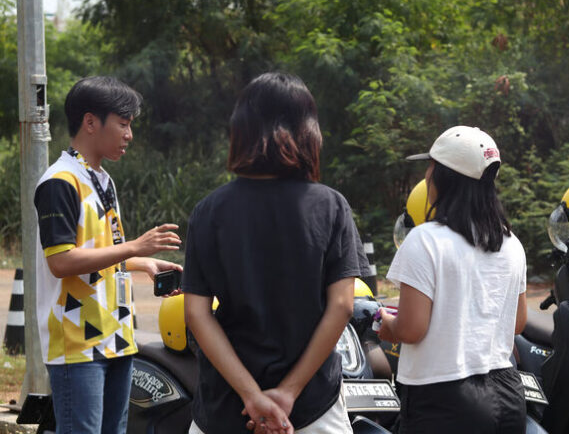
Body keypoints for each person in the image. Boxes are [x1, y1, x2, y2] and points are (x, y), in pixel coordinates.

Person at [182, 72, 370, 434]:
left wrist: (251, 396)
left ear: (241, 130)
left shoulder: (209, 211)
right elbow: (342, 306)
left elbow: (196, 313)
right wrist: (288, 392)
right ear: (309, 130)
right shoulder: (331, 206)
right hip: (313, 407)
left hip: (226, 408)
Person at [34, 76, 183, 434]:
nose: (129, 135)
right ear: (90, 122)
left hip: (117, 337)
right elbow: (60, 262)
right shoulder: (59, 182)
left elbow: (98, 252)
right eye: (123, 124)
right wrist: (135, 246)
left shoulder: (101, 179)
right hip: (77, 345)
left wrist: (141, 262)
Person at [378, 126, 528, 433]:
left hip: (445, 400)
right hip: (509, 395)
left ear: (443, 177)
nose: (427, 175)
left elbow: (410, 329)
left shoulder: (425, 240)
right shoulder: (511, 243)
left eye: (431, 166)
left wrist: (385, 323)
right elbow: (517, 322)